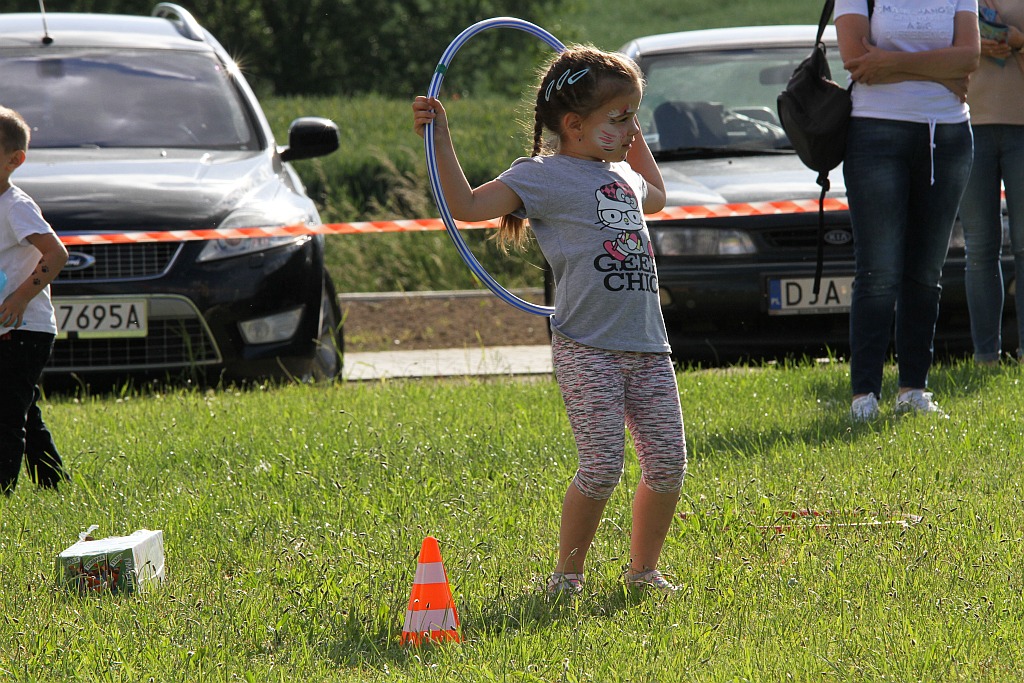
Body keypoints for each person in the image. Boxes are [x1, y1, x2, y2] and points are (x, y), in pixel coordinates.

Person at [413, 46, 687, 595]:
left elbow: (658, 197)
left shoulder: (623, 176)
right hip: (588, 346)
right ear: (573, 124)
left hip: (649, 348)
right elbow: (466, 205)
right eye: (620, 118)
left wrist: (633, 138)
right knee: (603, 466)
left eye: (634, 115)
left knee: (668, 466)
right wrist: (440, 136)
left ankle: (643, 571)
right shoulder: (542, 176)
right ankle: (566, 576)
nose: (632, 129)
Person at [835, 0, 981, 421]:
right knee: (878, 272)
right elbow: (857, 61)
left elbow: (970, 56)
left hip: (949, 136)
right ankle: (864, 395)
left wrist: (892, 63)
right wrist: (941, 69)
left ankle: (913, 390)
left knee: (925, 272)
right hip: (875, 132)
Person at [0, 105, 69, 495]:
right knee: (23, 409)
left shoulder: (16, 206)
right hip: (7, 326)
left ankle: (2, 492)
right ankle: (53, 484)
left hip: (26, 328)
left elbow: (56, 254)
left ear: (15, 160)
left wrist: (22, 297)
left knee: (6, 415)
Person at [958, 0, 1024, 364]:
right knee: (980, 248)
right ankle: (986, 356)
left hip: (1023, 129)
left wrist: (1016, 41)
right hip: (969, 128)